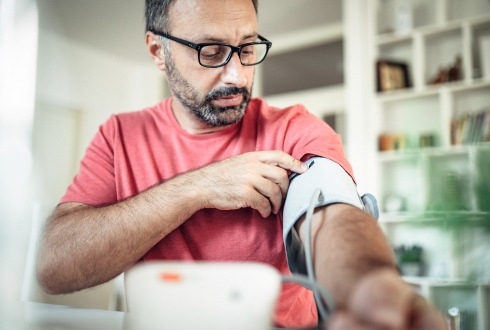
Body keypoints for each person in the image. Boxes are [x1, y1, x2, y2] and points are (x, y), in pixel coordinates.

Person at [36, 0, 446, 329]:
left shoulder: (294, 129)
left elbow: (332, 213)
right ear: (158, 52)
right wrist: (199, 187)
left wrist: (369, 283)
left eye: (247, 48)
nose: (237, 74)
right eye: (211, 52)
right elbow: (54, 267)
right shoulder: (120, 136)